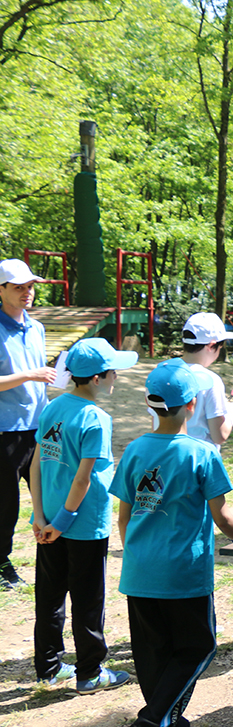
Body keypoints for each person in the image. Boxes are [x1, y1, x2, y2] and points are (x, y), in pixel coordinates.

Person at [110, 359, 233, 727]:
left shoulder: (135, 450)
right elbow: (223, 518)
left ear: (149, 403)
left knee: (156, 657)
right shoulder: (202, 453)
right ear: (192, 405)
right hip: (183, 574)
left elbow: (124, 517)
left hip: (139, 572)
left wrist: (139, 555)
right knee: (197, 648)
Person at [29, 338, 138, 693]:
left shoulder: (53, 407)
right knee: (88, 600)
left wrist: (40, 516)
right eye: (112, 372)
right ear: (96, 378)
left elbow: (35, 464)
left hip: (48, 523)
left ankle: (48, 667)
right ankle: (89, 673)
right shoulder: (95, 418)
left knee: (49, 596)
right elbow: (83, 478)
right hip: (83, 524)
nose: (116, 377)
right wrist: (63, 522)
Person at [1, 259, 55, 590]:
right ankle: (1, 563)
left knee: (48, 493)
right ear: (1, 289)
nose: (27, 292)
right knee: (5, 502)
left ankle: (53, 551)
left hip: (40, 427)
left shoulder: (37, 328)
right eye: (18, 287)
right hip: (5, 431)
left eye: (30, 286)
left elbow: (41, 377)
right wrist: (29, 375)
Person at [181, 312, 233, 450]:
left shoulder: (163, 372)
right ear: (212, 346)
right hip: (200, 457)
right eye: (220, 347)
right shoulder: (211, 380)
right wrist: (231, 411)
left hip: (167, 456)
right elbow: (220, 436)